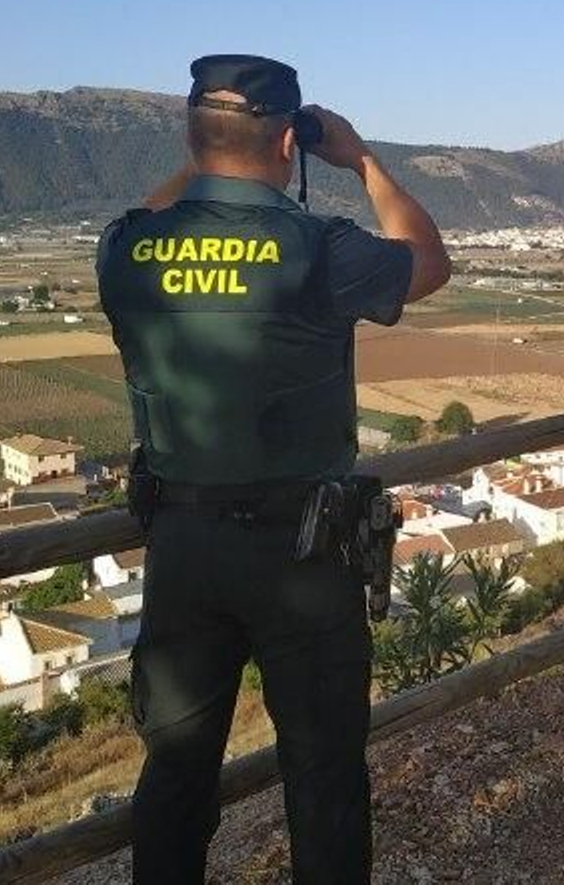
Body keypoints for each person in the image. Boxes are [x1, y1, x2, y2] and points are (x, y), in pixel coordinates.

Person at [96, 54, 451, 883]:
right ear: (291, 141)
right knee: (323, 776)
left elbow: (146, 215)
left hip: (181, 549)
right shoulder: (317, 246)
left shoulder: (125, 250)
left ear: (194, 134)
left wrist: (203, 159)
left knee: (176, 772)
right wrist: (362, 160)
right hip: (304, 556)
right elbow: (428, 261)